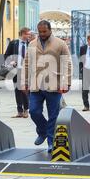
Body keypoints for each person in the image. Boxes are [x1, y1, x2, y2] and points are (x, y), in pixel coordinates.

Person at [22, 20, 72, 153]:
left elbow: (67, 63)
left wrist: (66, 82)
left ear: (50, 30)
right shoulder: (32, 44)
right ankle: (42, 131)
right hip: (36, 85)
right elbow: (26, 64)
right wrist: (24, 82)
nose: (42, 34)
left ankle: (51, 142)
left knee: (53, 115)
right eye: (40, 32)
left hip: (54, 85)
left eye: (44, 31)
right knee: (33, 111)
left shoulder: (60, 44)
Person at [4, 27, 32, 118]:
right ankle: (19, 111)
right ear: (23, 34)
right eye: (28, 34)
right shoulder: (13, 43)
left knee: (25, 90)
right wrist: (11, 61)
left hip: (28, 71)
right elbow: (6, 54)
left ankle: (26, 110)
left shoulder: (31, 44)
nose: (29, 35)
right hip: (16, 70)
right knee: (17, 90)